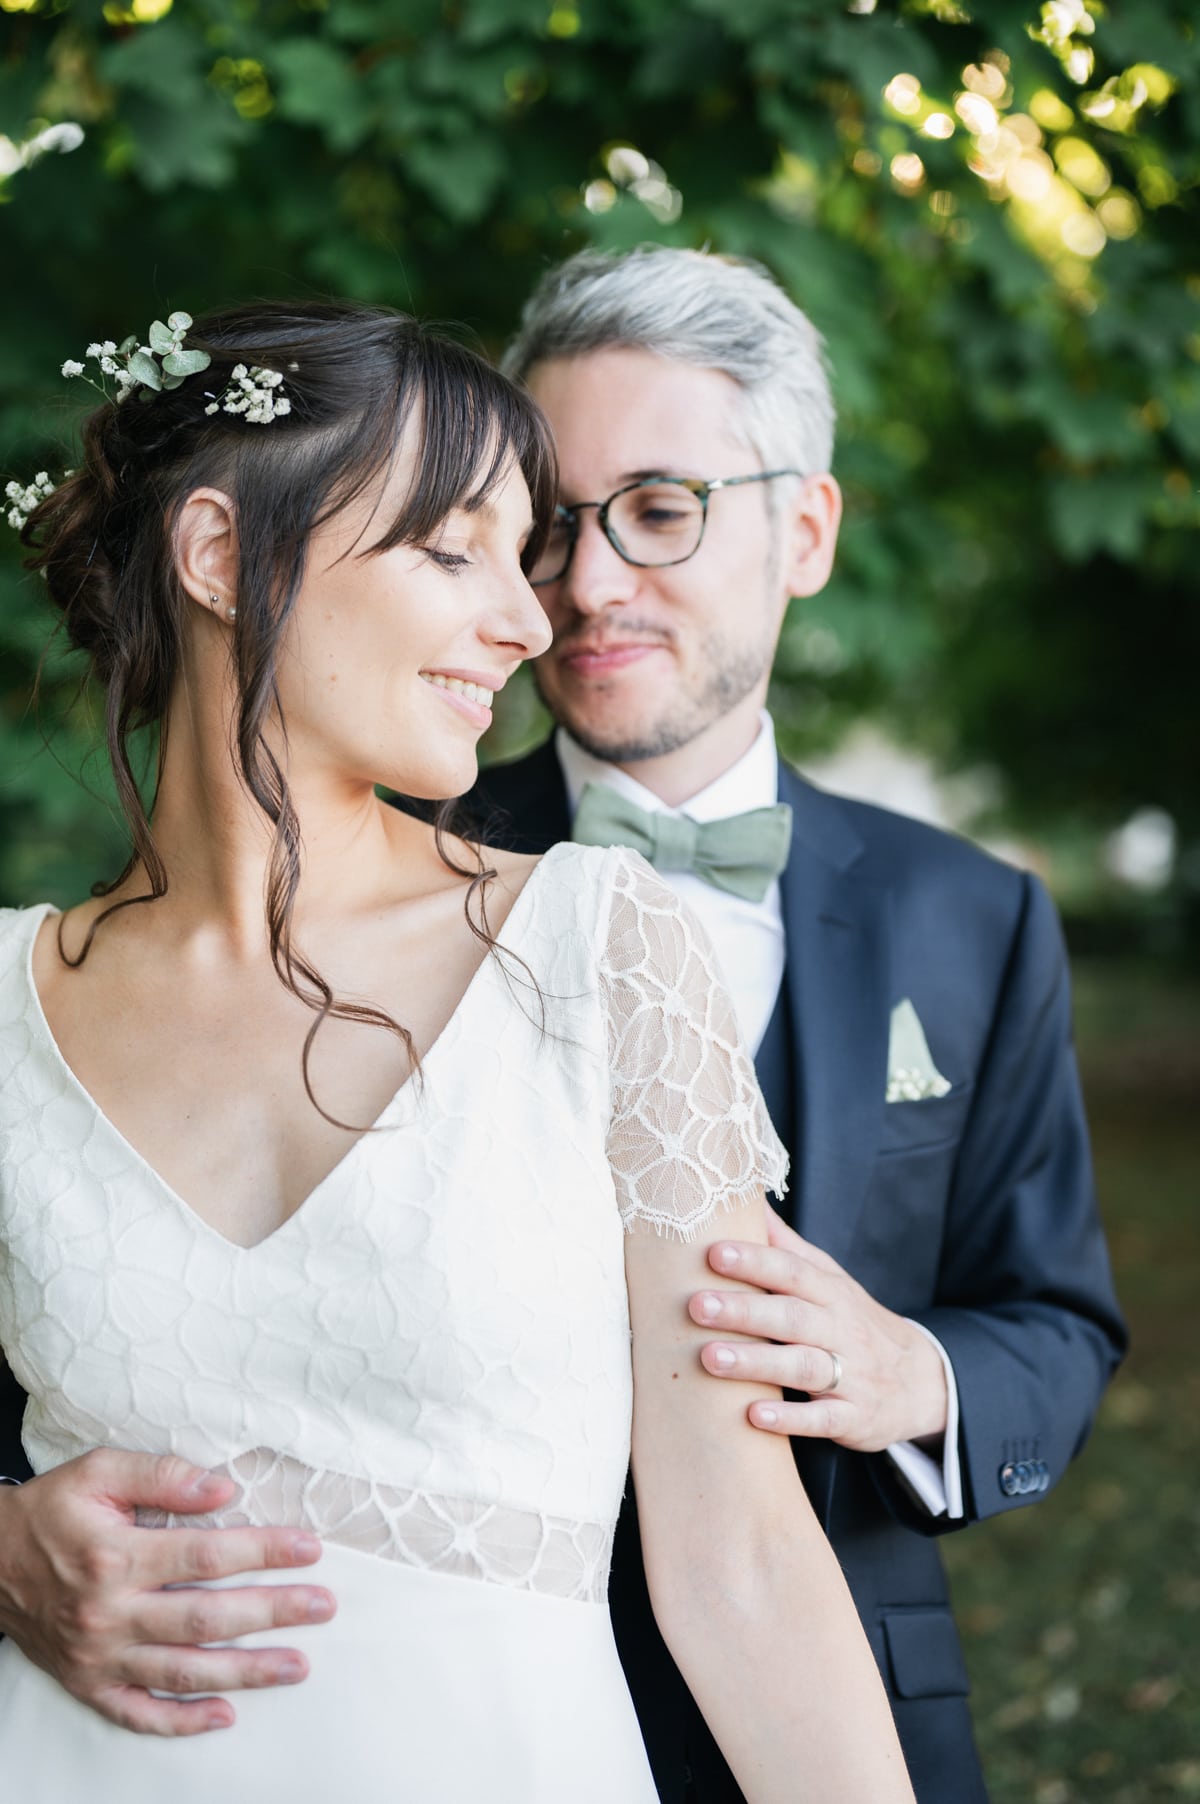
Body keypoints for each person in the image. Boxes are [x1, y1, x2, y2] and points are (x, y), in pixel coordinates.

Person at [0, 298, 916, 1802]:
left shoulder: (596, 955)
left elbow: (743, 1561)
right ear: (222, 555)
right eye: (455, 548)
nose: (534, 615)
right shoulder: (4, 999)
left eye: (524, 549)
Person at [457, 245, 1126, 1804]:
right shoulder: (397, 878)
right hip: (489, 1709)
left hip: (858, 1716)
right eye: (551, 524)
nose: (589, 582)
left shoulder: (974, 919)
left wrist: (913, 1374)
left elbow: (1059, 1319)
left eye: (662, 508)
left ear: (804, 529)